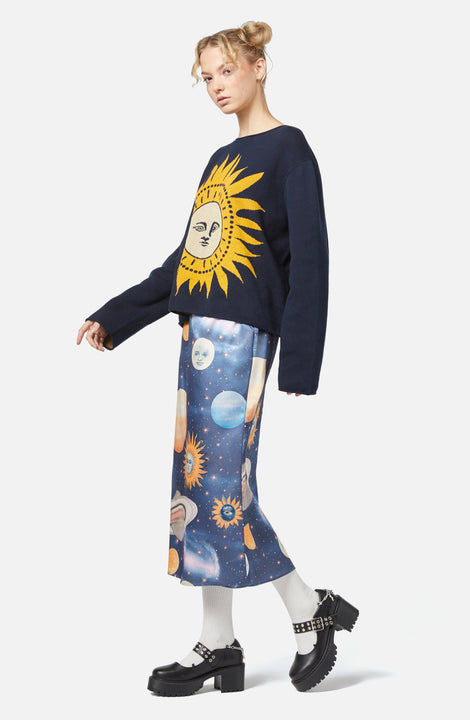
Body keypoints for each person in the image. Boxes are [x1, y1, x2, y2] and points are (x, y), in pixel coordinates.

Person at [77, 20, 358, 696]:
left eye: (226, 71)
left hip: (242, 339)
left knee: (224, 492)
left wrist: (301, 361)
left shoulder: (290, 151)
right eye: (206, 77)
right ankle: (220, 642)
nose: (216, 86)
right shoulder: (219, 162)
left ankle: (308, 608)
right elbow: (190, 258)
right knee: (197, 492)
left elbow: (311, 259)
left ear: (259, 66)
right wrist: (116, 316)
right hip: (198, 335)